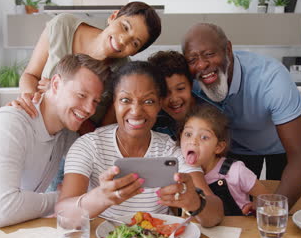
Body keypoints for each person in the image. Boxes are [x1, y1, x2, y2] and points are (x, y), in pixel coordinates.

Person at [0, 54, 110, 227]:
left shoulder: (65, 134)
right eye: (81, 95)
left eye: (95, 101)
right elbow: (1, 211)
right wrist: (61, 198)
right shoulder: (11, 123)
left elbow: (90, 185)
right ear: (55, 84)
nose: (89, 109)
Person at [55, 61, 223, 227]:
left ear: (159, 104)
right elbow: (63, 214)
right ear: (114, 103)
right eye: (125, 100)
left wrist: (196, 202)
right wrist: (100, 198)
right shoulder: (88, 145)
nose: (136, 111)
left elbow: (215, 215)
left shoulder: (172, 149)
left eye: (148, 101)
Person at [182, 23, 301, 207]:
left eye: (210, 54)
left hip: (281, 146)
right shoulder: (192, 82)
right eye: (192, 59)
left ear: (228, 49)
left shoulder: (271, 79)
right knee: (237, 208)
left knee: (282, 205)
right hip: (236, 147)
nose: (202, 65)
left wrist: (273, 211)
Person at [11, 1, 161, 132]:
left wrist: (62, 97)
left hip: (76, 147)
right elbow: (30, 76)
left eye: (135, 43)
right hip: (38, 127)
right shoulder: (63, 26)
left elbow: (102, 133)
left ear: (136, 52)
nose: (123, 40)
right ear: (113, 16)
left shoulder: (124, 75)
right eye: (125, 27)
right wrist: (30, 101)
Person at [179, 104, 268, 216]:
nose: (193, 141)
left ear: (218, 147)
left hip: (239, 230)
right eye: (188, 134)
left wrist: (255, 206)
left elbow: (266, 197)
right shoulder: (180, 173)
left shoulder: (236, 171)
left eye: (204, 137)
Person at [148, 50, 195, 140]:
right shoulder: (153, 121)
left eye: (180, 89)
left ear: (191, 85)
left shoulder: (214, 112)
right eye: (164, 92)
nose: (174, 99)